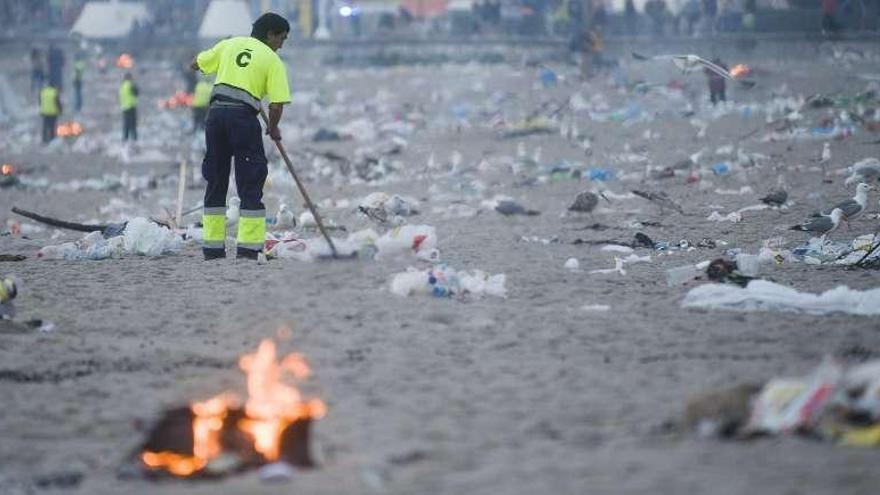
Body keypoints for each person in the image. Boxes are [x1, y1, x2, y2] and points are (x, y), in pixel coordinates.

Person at [191, 12, 291, 261]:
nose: (282, 44)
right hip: (242, 120)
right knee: (250, 181)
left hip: (215, 117)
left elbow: (197, 63)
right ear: (270, 35)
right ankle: (248, 249)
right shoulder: (272, 60)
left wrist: (219, 63)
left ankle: (212, 249)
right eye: (282, 38)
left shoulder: (230, 44)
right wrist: (274, 128)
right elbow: (276, 105)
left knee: (216, 179)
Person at [119, 73, 139, 142]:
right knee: (133, 125)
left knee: (126, 125)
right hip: (131, 107)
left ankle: (125, 140)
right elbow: (137, 92)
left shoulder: (122, 86)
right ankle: (134, 140)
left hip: (124, 107)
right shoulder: (130, 85)